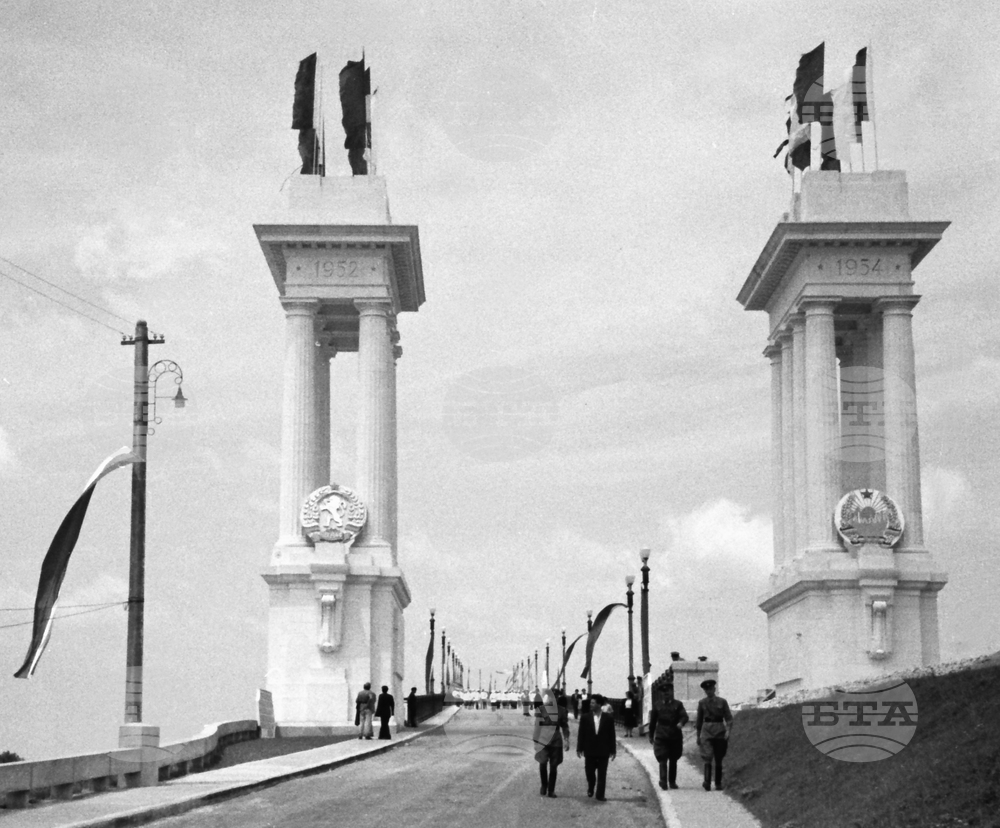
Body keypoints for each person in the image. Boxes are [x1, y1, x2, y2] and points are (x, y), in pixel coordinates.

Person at [648, 682, 689, 789]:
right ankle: (663, 781)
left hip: (674, 735)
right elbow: (652, 722)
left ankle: (672, 782)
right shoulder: (657, 705)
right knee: (662, 758)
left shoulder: (678, 705)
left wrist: (681, 723)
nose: (666, 693)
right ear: (661, 693)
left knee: (673, 758)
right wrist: (651, 735)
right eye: (664, 691)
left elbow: (685, 716)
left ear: (672, 692)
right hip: (662, 735)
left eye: (668, 691)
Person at [576, 693, 616, 801]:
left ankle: (600, 795)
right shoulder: (585, 717)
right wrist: (579, 748)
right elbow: (581, 733)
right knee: (589, 772)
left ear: (599, 704)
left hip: (604, 750)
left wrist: (613, 750)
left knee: (602, 773)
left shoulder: (608, 718)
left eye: (593, 703)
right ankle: (591, 786)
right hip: (590, 750)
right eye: (590, 703)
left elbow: (612, 734)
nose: (591, 705)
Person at [695, 679, 733, 791]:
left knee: (719, 757)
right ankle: (707, 781)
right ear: (704, 691)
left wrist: (728, 731)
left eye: (710, 689)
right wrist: (698, 736)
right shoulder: (702, 703)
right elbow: (699, 721)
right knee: (707, 756)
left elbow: (729, 718)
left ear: (714, 689)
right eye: (706, 689)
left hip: (719, 730)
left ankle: (718, 783)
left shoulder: (722, 702)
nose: (709, 691)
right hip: (706, 731)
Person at [532, 688, 570, 798]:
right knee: (542, 763)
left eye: (555, 696)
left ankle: (551, 790)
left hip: (556, 741)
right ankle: (544, 785)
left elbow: (565, 726)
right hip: (543, 740)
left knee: (554, 766)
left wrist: (566, 739)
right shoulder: (541, 709)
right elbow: (537, 726)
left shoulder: (562, 710)